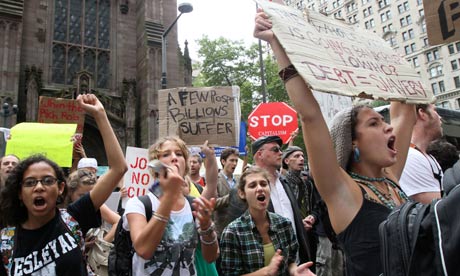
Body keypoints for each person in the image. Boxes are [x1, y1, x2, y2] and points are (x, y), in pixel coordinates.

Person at [253, 11, 415, 276]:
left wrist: (386, 57)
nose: (387, 126)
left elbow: (404, 108)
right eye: (374, 123)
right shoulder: (342, 191)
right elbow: (310, 115)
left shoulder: (391, 180)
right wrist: (277, 43)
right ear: (353, 143)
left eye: (384, 121)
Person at [0, 93, 128, 275]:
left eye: (47, 180)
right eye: (30, 182)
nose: (39, 187)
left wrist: (100, 115)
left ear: (60, 188)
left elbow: (118, 168)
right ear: (20, 192)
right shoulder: (6, 243)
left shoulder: (72, 218)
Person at [123, 136, 219, 275]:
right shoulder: (139, 204)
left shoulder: (193, 205)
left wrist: (206, 228)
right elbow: (143, 250)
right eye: (166, 154)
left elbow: (211, 257)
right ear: (156, 165)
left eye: (179, 154)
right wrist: (169, 194)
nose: (174, 158)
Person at [220, 166, 315, 276]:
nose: (260, 188)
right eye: (252, 185)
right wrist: (267, 271)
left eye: (264, 184)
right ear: (242, 193)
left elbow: (290, 262)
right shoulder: (232, 232)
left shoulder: (284, 224)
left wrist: (296, 271)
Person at [252, 135, 313, 265]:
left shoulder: (284, 182)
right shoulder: (246, 188)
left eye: (280, 149)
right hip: (266, 266)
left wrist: (298, 224)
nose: (280, 153)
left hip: (294, 262)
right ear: (260, 154)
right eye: (275, 150)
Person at [399, 104, 444, 203]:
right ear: (422, 113)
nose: (440, 117)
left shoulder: (427, 156)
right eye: (435, 110)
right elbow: (436, 208)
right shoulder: (410, 157)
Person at [65, 169, 120, 243]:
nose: (86, 200)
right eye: (82, 196)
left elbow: (118, 221)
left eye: (91, 195)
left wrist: (101, 244)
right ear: (70, 192)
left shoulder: (94, 204)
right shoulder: (59, 207)